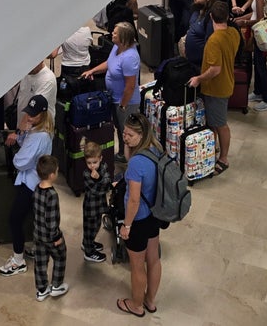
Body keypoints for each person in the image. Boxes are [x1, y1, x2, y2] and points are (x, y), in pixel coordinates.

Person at [0, 95, 55, 277]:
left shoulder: (40, 137)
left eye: (33, 114)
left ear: (43, 114)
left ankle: (18, 260)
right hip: (31, 182)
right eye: (28, 113)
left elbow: (21, 162)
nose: (29, 117)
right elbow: (26, 143)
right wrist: (21, 134)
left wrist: (16, 155)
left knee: (15, 219)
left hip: (30, 185)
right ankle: (34, 249)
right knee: (32, 218)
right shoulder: (38, 130)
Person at [187, 0, 241, 174]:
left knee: (220, 124)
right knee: (214, 123)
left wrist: (199, 78)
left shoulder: (214, 41)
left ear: (211, 17)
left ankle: (223, 158)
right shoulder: (233, 33)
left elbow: (215, 69)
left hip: (216, 89)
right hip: (227, 83)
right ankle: (213, 150)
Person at [116, 112, 162, 317]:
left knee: (137, 266)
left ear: (141, 135)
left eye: (129, 135)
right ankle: (150, 301)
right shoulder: (155, 149)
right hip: (154, 214)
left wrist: (126, 225)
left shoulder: (136, 165)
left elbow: (133, 200)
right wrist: (129, 145)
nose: (125, 138)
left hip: (138, 219)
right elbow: (132, 158)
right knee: (153, 259)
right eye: (124, 133)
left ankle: (136, 305)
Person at [81, 21, 141, 151]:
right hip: (114, 98)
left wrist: (123, 106)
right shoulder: (117, 47)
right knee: (119, 128)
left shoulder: (130, 58)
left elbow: (130, 87)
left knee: (127, 132)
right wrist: (93, 71)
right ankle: (121, 153)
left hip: (126, 102)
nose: (111, 34)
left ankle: (128, 157)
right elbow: (109, 63)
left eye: (115, 33)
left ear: (123, 38)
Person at [232, 0, 267, 112]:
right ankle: (258, 91)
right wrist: (240, 18)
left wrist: (243, 23)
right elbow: (255, 12)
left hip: (260, 36)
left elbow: (258, 19)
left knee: (260, 65)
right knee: (258, 64)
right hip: (265, 34)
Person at [29, 155, 68, 302]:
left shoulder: (36, 189)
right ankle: (56, 285)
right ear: (52, 175)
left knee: (40, 261)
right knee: (60, 256)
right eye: (57, 171)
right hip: (50, 237)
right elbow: (51, 220)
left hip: (38, 234)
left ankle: (42, 289)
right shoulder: (52, 195)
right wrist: (56, 237)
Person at [79, 141, 111, 263]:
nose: (92, 166)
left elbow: (107, 179)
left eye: (95, 162)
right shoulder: (86, 174)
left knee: (96, 226)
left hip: (99, 205)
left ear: (100, 158)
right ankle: (89, 251)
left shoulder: (103, 166)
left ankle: (88, 242)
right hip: (90, 207)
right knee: (90, 228)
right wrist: (101, 181)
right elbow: (99, 190)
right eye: (89, 163)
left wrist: (101, 180)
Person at [180, 0, 217, 67]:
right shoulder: (195, 11)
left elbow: (209, 42)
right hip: (190, 60)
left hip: (201, 64)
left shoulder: (210, 17)